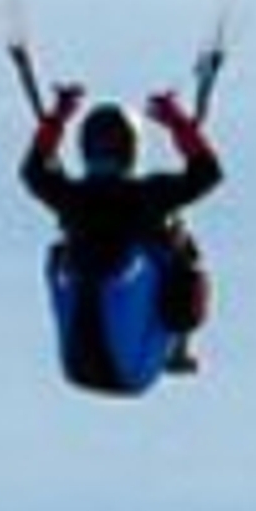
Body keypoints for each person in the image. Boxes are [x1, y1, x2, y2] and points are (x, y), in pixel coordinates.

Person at [17, 60, 224, 393]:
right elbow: (207, 173)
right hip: (133, 371)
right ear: (132, 149)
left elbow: (33, 172)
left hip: (76, 366)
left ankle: (170, 343)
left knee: (65, 253)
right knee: (180, 244)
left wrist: (58, 116)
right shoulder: (150, 195)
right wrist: (176, 122)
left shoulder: (72, 196)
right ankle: (179, 349)